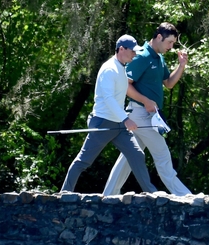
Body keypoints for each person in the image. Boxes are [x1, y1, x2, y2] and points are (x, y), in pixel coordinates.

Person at [102, 22, 192, 196]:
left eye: (173, 43)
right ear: (159, 37)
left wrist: (181, 65)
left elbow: (169, 83)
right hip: (140, 114)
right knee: (163, 155)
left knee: (128, 158)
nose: (171, 47)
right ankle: (185, 196)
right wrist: (146, 101)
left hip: (147, 115)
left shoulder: (159, 58)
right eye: (169, 42)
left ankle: (108, 195)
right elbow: (125, 85)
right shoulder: (142, 56)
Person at [60, 35, 158, 194]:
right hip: (103, 122)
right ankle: (64, 192)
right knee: (83, 161)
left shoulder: (121, 67)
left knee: (137, 154)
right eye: (132, 51)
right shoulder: (109, 69)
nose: (134, 55)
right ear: (121, 49)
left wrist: (124, 119)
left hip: (118, 124)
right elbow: (108, 99)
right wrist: (126, 119)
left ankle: (151, 193)